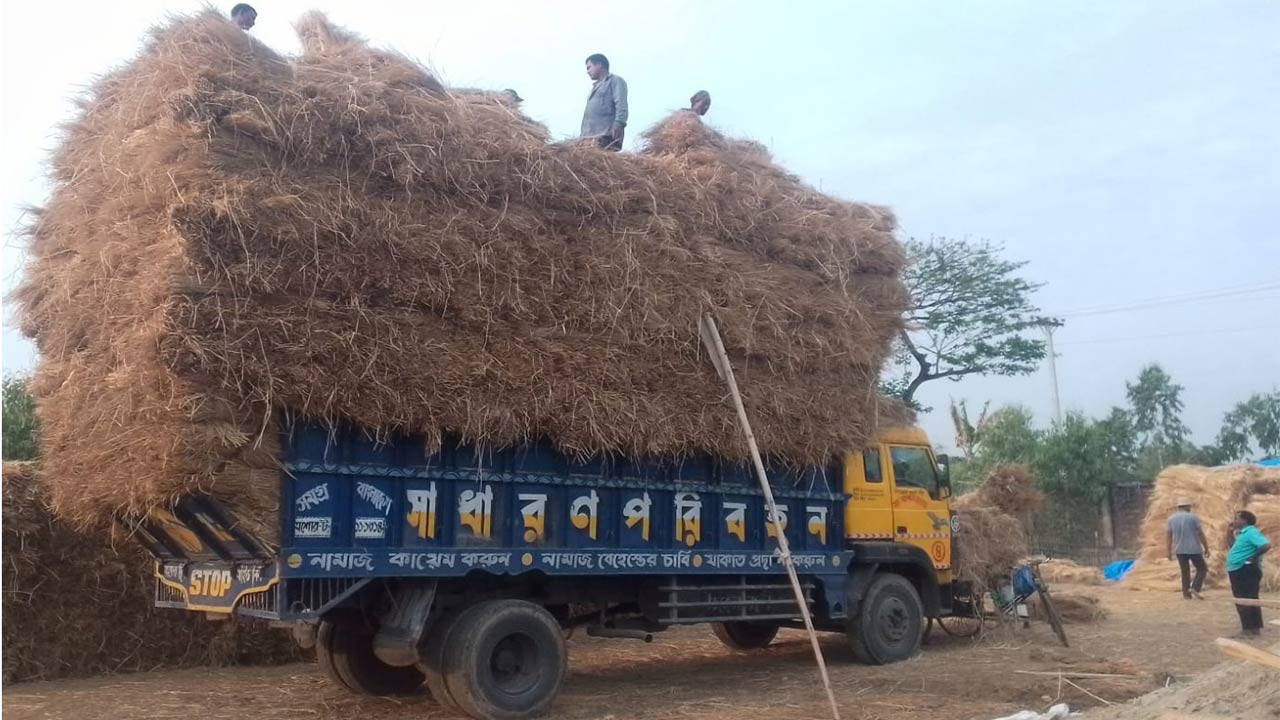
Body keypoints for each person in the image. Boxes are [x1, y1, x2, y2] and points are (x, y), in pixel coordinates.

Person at [1226, 510, 1271, 637]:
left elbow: (1265, 545)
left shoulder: (1250, 532)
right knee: (1249, 598)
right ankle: (1254, 628)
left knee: (1244, 599)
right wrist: (1229, 532)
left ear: (1244, 520)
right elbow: (1232, 546)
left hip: (1245, 569)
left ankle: (1248, 629)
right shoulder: (1242, 534)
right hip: (1239, 569)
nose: (1234, 521)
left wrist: (1253, 558)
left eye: (1236, 518)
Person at [580, 53, 628, 151]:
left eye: (589, 67)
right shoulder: (595, 87)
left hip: (605, 134)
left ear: (599, 64)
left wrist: (619, 123)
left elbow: (621, 104)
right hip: (589, 137)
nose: (587, 71)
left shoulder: (615, 81)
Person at [1165, 497, 1210, 599]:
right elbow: (1200, 533)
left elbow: (1168, 536)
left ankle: (1186, 594)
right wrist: (1206, 547)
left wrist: (1168, 551)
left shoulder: (1171, 519)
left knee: (1185, 571)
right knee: (1202, 569)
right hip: (1194, 548)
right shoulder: (1193, 517)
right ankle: (1195, 587)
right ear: (1187, 506)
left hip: (1179, 549)